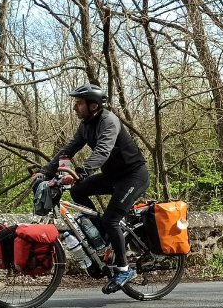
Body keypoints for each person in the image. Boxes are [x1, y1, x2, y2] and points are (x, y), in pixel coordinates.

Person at [33, 83, 149, 294]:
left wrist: (82, 172)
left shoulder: (109, 121)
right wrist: (46, 172)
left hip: (133, 176)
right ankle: (103, 235)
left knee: (111, 219)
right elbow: (68, 150)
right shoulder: (86, 125)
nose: (74, 107)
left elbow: (103, 151)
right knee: (78, 191)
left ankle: (124, 269)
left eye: (78, 103)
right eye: (74, 103)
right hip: (113, 176)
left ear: (93, 105)